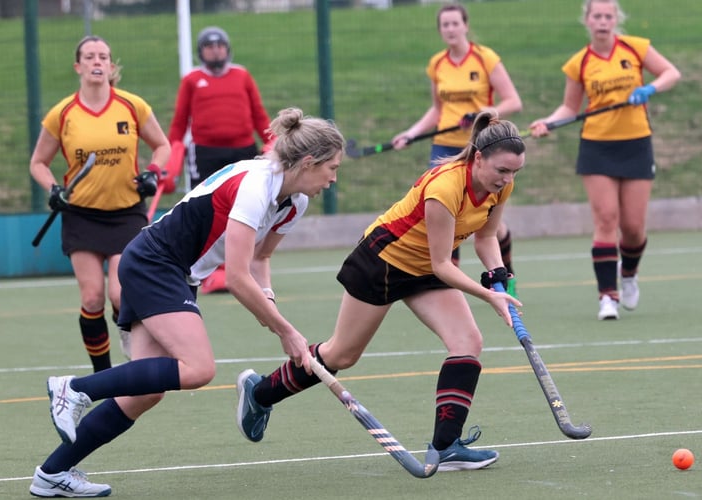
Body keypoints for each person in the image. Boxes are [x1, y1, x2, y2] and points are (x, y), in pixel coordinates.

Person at [29, 107, 345, 497]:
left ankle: (52, 473)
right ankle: (73, 388)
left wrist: (272, 307)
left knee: (144, 392)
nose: (332, 179)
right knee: (197, 368)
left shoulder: (294, 202)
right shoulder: (256, 184)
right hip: (154, 261)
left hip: (176, 272)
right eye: (331, 168)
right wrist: (287, 331)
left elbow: (260, 259)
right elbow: (235, 276)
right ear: (309, 162)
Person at [237, 109, 524, 472]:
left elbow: (484, 237)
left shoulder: (500, 186)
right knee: (341, 355)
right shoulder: (445, 188)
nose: (508, 178)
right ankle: (260, 393)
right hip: (383, 262)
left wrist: (497, 271)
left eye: (514, 172)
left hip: (424, 267)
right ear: (479, 158)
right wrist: (489, 295)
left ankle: (446, 444)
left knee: (468, 342)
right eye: (502, 171)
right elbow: (442, 265)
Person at [528, 0, 680, 320]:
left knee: (634, 228)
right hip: (597, 146)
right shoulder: (579, 62)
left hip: (636, 143)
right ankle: (607, 297)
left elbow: (671, 73)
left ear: (615, 19)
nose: (602, 21)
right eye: (596, 16)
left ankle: (629, 274)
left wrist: (649, 88)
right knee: (606, 219)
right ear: (587, 20)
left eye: (608, 16)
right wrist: (547, 123)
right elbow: (570, 108)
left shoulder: (635, 48)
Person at [29, 35, 170, 373]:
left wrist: (152, 172)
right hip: (81, 216)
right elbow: (38, 163)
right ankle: (103, 375)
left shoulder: (132, 106)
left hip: (126, 214)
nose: (97, 62)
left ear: (110, 65)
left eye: (103, 57)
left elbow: (162, 146)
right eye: (89, 56)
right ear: (78, 66)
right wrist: (52, 189)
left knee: (121, 295)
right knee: (92, 297)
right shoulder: (62, 114)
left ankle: (126, 331)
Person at [391, 3, 522, 295]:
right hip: (444, 148)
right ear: (440, 30)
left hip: (481, 147)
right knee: (443, 214)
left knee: (485, 223)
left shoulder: (485, 58)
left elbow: (513, 101)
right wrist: (411, 133)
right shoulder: (437, 63)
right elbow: (437, 110)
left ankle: (505, 271)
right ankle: (449, 283)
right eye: (444, 25)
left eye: (454, 23)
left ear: (465, 25)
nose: (450, 29)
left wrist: (482, 114)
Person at [169, 26, 273, 294]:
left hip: (244, 151)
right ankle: (205, 271)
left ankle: (241, 267)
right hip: (205, 153)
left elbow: (259, 113)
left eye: (219, 45)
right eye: (208, 46)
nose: (215, 50)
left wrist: (271, 142)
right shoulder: (192, 79)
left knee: (247, 208)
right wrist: (172, 153)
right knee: (206, 210)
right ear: (201, 51)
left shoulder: (242, 75)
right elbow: (180, 121)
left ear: (227, 49)